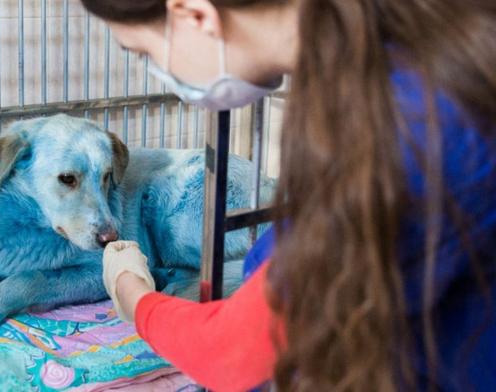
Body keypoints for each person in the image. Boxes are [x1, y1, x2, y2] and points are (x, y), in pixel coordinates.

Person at [81, 0, 496, 391]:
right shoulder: (397, 59)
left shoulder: (414, 123)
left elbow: (231, 350)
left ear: (195, 15)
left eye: (143, 53)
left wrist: (130, 290)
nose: (157, 70)